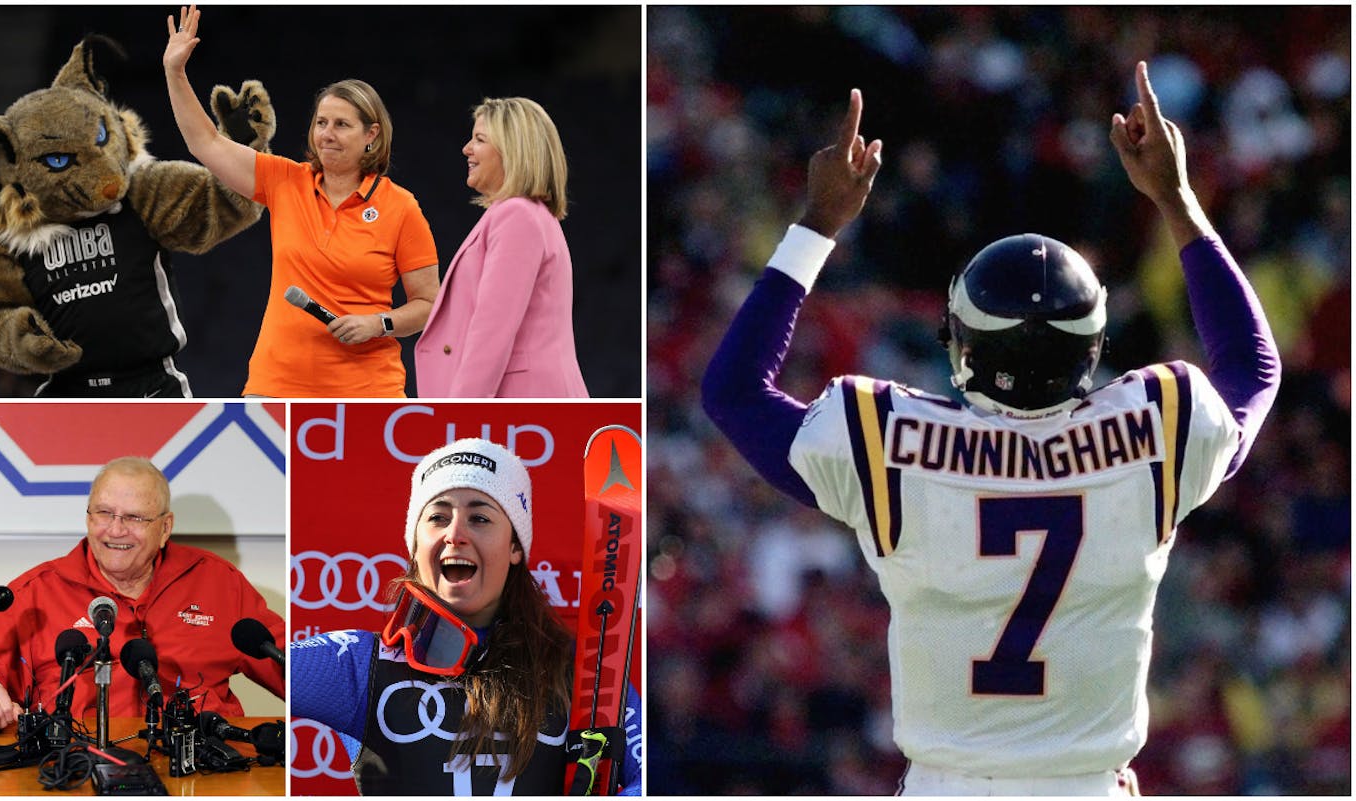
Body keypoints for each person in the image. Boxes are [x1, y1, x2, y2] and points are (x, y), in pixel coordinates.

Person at [701, 63, 1280, 796]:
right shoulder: (1159, 423)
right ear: (1091, 347)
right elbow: (1253, 367)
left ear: (965, 344)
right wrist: (1177, 200)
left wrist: (816, 225)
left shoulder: (882, 436)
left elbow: (733, 390)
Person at [290, 438, 640, 795]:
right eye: (438, 517)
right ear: (415, 543)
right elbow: (247, 655)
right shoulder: (359, 664)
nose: (455, 534)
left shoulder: (584, 673)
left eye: (479, 518)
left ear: (515, 546)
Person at [163, 5, 440, 397]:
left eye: (341, 125)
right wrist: (175, 73)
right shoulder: (286, 180)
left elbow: (429, 304)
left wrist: (380, 323)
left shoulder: (401, 207)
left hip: (366, 390)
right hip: (276, 385)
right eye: (321, 123)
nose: (326, 134)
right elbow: (204, 142)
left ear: (371, 135)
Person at [0, 457, 285, 730]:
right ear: (88, 518)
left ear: (165, 528)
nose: (115, 530)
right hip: (75, 774)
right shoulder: (34, 593)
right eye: (104, 513)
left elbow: (291, 666)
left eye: (134, 518)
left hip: (204, 773)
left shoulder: (218, 582)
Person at [414, 98, 588, 398]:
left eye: (479, 140)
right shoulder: (527, 215)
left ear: (512, 150)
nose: (466, 149)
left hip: (524, 407)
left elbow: (492, 332)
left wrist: (458, 417)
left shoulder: (517, 216)